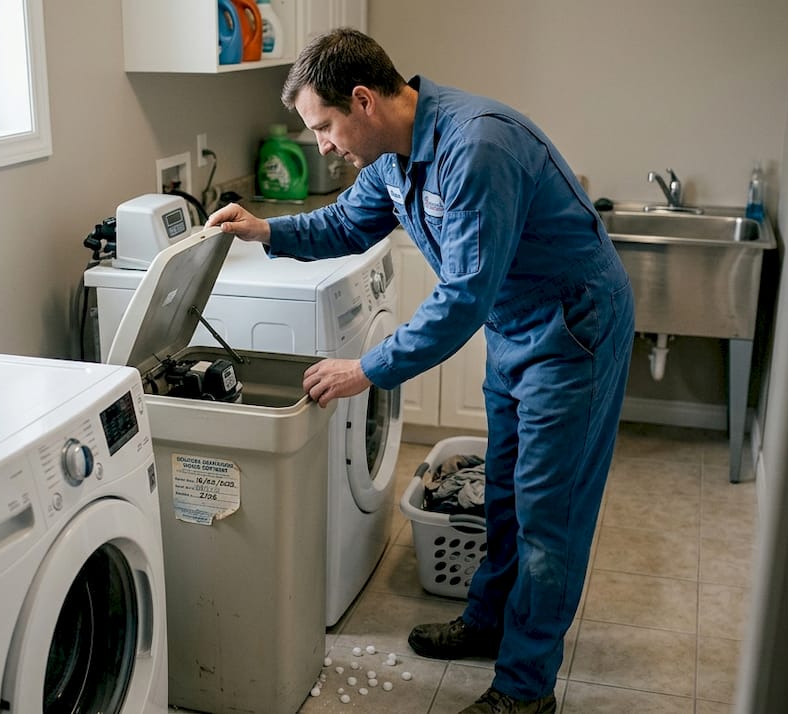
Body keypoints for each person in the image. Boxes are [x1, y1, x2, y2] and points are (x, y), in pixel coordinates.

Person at [206, 29, 633, 714]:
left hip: (571, 330)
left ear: (364, 101)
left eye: (323, 126)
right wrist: (266, 231)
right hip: (515, 325)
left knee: (548, 520)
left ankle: (525, 693)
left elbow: (462, 298)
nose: (321, 145)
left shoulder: (476, 148)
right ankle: (488, 621)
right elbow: (348, 224)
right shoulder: (393, 156)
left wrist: (367, 369)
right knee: (505, 491)